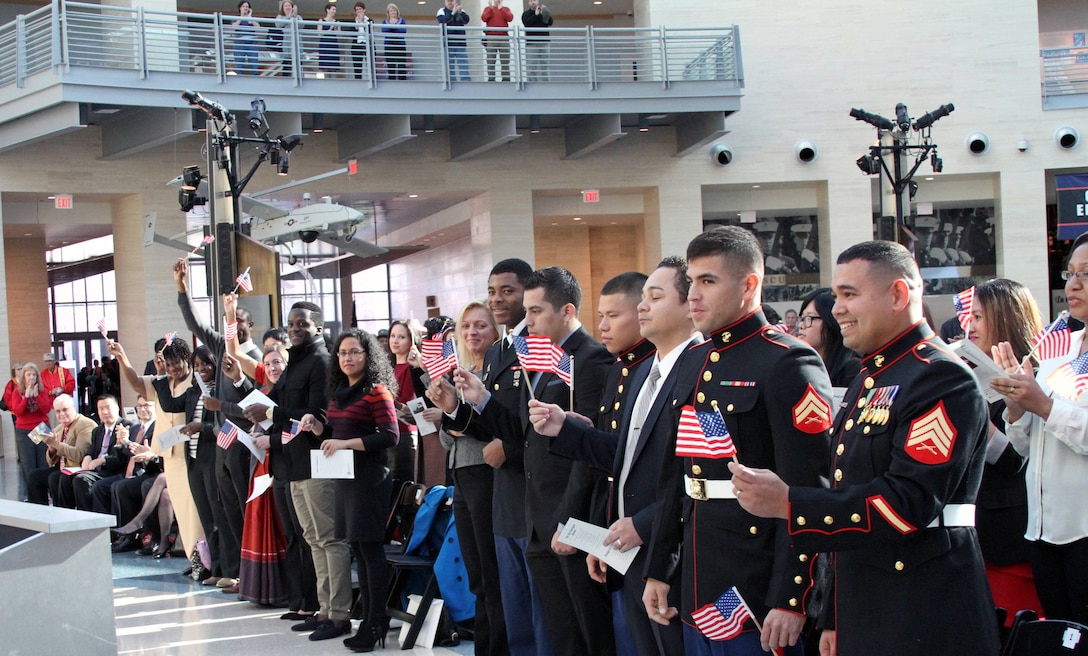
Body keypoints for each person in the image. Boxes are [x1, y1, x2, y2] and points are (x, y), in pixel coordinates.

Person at [729, 239, 999, 655]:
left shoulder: (941, 377)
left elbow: (906, 501)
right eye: (836, 295)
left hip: (923, 608)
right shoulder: (872, 376)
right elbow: (847, 489)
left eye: (849, 295)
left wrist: (789, 503)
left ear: (898, 294)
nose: (836, 309)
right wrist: (834, 614)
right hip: (866, 601)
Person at [641, 226, 832, 656]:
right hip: (699, 579)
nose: (694, 294)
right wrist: (660, 568)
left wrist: (792, 596)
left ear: (749, 285)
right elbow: (679, 478)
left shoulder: (787, 361)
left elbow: (809, 491)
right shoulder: (694, 358)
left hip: (755, 587)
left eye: (708, 281)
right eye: (691, 281)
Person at [530, 258, 697, 656]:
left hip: (670, 542)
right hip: (627, 538)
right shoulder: (641, 372)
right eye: (642, 299)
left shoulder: (699, 368)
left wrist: (641, 525)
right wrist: (567, 429)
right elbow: (623, 457)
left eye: (654, 297)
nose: (643, 307)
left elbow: (692, 473)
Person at [446, 266, 616, 656]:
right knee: (559, 630)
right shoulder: (538, 358)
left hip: (568, 516)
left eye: (536, 311)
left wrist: (568, 520)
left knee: (588, 628)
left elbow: (590, 451)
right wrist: (481, 399)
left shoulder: (590, 360)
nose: (528, 321)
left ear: (567, 311)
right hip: (536, 515)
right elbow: (522, 432)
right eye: (527, 311)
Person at [435, 258, 551, 656]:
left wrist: (507, 443)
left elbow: (533, 424)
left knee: (522, 593)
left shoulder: (538, 347)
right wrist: (455, 408)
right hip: (494, 483)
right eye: (492, 291)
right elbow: (495, 423)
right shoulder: (504, 350)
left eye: (508, 291)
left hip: (523, 485)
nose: (498, 299)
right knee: (489, 579)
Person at [992, 230, 1088, 626]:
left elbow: (1054, 415)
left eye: (1086, 273)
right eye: (1069, 274)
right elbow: (1031, 446)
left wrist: (1043, 405)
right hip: (1044, 528)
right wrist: (1017, 408)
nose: (1074, 284)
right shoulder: (1060, 348)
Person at [242, 302, 343, 641]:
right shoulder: (294, 361)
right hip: (293, 463)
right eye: (290, 323)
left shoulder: (322, 362)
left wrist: (271, 414)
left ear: (317, 326)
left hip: (318, 461)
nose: (295, 328)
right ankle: (323, 609)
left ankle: (339, 613)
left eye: (302, 323)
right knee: (313, 540)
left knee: (328, 539)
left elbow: (317, 413)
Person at [303, 329, 398, 652]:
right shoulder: (340, 392)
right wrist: (320, 430)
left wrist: (345, 443)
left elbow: (389, 435)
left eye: (354, 352)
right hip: (345, 478)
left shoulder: (377, 391)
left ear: (368, 356)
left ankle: (375, 622)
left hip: (370, 478)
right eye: (342, 353)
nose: (348, 358)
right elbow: (337, 432)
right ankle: (369, 621)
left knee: (371, 553)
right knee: (358, 550)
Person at [428, 301, 508, 656]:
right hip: (460, 474)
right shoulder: (460, 374)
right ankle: (484, 645)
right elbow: (448, 439)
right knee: (476, 573)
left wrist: (461, 421)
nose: (472, 333)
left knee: (491, 572)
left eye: (481, 326)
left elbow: (494, 429)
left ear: (496, 331)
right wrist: (451, 412)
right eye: (466, 327)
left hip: (487, 475)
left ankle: (497, 646)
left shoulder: (496, 374)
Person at [964, 278, 1045, 624]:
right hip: (974, 533)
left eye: (979, 316)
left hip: (1013, 537)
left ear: (1005, 317)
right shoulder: (964, 374)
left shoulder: (1036, 379)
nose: (970, 326)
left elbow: (1018, 457)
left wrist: (979, 420)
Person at [108, 337, 204, 570]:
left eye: (177, 363)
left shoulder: (196, 381)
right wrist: (121, 357)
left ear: (187, 359)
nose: (173, 369)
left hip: (190, 452)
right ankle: (194, 558)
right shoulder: (161, 382)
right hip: (169, 454)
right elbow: (135, 382)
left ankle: (203, 557)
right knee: (181, 509)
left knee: (194, 510)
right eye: (168, 364)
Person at [27, 394, 97, 507]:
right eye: (58, 411)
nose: (61, 414)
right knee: (34, 476)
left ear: (74, 407)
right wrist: (51, 447)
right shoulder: (59, 428)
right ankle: (40, 515)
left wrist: (56, 444)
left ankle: (62, 514)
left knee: (55, 478)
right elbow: (51, 462)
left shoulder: (86, 424)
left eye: (65, 410)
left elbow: (80, 454)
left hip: (77, 468)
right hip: (62, 468)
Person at [72, 394, 132, 511]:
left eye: (108, 407)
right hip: (96, 470)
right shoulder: (97, 430)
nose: (105, 412)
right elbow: (92, 449)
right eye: (101, 408)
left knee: (82, 479)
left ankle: (93, 519)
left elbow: (122, 458)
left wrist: (103, 460)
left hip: (114, 471)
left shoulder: (126, 427)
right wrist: (88, 456)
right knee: (65, 478)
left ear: (117, 408)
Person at [796, 288, 861, 388]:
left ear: (830, 321)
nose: (801, 325)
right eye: (802, 319)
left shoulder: (853, 371)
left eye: (809, 318)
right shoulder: (800, 368)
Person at [6, 363, 51, 501]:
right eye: (28, 375)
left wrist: (36, 396)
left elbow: (46, 409)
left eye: (33, 375)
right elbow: (18, 412)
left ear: (37, 377)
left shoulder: (42, 390)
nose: (31, 377)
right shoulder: (17, 392)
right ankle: (32, 498)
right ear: (23, 377)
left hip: (40, 428)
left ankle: (44, 496)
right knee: (28, 465)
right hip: (24, 430)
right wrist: (26, 396)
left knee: (43, 463)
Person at [388, 319, 426, 482]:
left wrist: (386, 401)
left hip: (405, 434)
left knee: (403, 485)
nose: (395, 341)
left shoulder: (413, 369)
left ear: (412, 341)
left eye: (401, 337)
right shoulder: (388, 367)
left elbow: (412, 404)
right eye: (393, 336)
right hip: (387, 433)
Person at [436, 0, 470, 82]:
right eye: (448, 1)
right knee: (449, 65)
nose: (450, 3)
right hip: (448, 43)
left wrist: (460, 12)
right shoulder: (441, 11)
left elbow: (466, 20)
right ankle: (452, 82)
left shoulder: (460, 11)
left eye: (452, 1)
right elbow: (443, 21)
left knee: (463, 64)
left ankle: (466, 82)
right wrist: (452, 13)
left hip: (460, 43)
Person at [481, 0, 512, 81]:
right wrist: (490, 9)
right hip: (491, 38)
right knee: (490, 61)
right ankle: (491, 80)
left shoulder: (505, 9)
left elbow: (510, 18)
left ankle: (506, 80)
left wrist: (501, 9)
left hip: (504, 38)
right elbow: (484, 18)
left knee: (505, 61)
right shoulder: (487, 9)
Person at [522, 0, 552, 81]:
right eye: (531, 1)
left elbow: (550, 22)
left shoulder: (543, 11)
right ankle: (533, 85)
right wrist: (536, 15)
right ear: (528, 2)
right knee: (531, 65)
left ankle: (546, 84)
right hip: (532, 43)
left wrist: (546, 13)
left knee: (545, 64)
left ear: (538, 1)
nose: (533, 2)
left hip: (544, 42)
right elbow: (527, 23)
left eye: (534, 0)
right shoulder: (526, 14)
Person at [231, 1, 259, 75]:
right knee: (239, 65)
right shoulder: (236, 18)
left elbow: (258, 28)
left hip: (252, 44)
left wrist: (249, 17)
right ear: (240, 8)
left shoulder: (252, 18)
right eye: (243, 6)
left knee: (254, 65)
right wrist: (241, 17)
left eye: (247, 7)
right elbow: (234, 27)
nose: (245, 8)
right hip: (239, 44)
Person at [381, 3, 407, 80]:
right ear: (388, 13)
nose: (393, 12)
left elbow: (403, 30)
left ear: (397, 12)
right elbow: (384, 31)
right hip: (389, 45)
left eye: (394, 10)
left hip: (400, 45)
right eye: (391, 11)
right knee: (391, 66)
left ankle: (402, 83)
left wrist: (392, 28)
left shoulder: (402, 21)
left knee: (401, 66)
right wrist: (395, 28)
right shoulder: (385, 21)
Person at [275, 0, 301, 77]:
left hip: (297, 44)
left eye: (289, 5)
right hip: (287, 44)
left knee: (298, 64)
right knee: (286, 64)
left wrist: (294, 15)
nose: (287, 7)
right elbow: (278, 24)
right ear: (282, 8)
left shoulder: (298, 17)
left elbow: (301, 25)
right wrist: (289, 16)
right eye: (285, 6)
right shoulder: (280, 17)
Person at [318, 3, 341, 75]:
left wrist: (337, 28)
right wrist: (329, 30)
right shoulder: (321, 21)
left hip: (333, 44)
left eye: (335, 10)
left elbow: (339, 35)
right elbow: (319, 34)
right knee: (324, 66)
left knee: (333, 66)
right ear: (328, 10)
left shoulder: (337, 22)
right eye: (333, 9)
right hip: (325, 44)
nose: (334, 11)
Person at [351, 2, 372, 80]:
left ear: (364, 10)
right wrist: (358, 23)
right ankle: (358, 82)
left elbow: (370, 31)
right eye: (357, 10)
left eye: (360, 9)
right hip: (357, 45)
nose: (358, 11)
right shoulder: (353, 22)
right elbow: (352, 34)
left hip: (368, 45)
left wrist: (363, 21)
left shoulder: (369, 20)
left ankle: (371, 80)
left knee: (370, 66)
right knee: (357, 66)